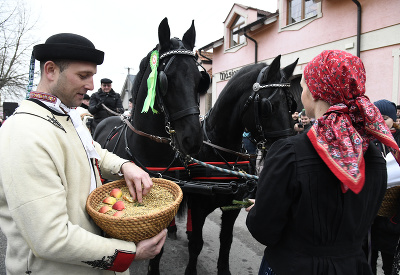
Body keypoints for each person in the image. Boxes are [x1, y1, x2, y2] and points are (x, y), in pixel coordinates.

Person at [0, 33, 167, 275]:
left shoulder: (63, 116)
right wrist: (130, 253)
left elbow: (91, 150)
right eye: (83, 76)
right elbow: (51, 238)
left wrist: (125, 166)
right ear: (50, 70)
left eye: (93, 77)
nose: (91, 86)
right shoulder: (24, 133)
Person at [246, 50, 400, 275]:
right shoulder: (375, 156)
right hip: (353, 267)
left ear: (317, 92)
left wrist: (258, 209)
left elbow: (263, 230)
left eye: (305, 85)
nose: (303, 93)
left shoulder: (288, 152)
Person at [366, 99, 400, 275]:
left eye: (384, 117)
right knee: (367, 261)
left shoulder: (397, 140)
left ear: (393, 119)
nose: (380, 120)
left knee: (390, 263)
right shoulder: (368, 139)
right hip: (370, 217)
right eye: (376, 116)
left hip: (392, 218)